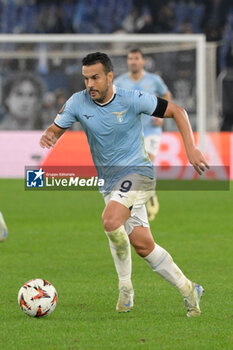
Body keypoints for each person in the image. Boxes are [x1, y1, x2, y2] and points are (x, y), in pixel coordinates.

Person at [40, 52, 209, 317]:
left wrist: (191, 148)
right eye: (86, 79)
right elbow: (56, 129)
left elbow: (177, 111)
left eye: (95, 77)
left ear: (109, 76)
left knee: (110, 220)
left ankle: (126, 288)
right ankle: (189, 289)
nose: (90, 84)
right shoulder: (78, 102)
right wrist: (50, 135)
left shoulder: (132, 99)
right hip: (110, 183)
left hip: (138, 174)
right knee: (143, 245)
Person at [115, 48, 172, 220]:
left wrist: (161, 115)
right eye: (130, 58)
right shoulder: (120, 82)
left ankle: (150, 197)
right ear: (128, 61)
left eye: (136, 58)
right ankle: (140, 196)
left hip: (151, 129)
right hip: (131, 132)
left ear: (143, 61)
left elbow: (166, 94)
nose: (133, 61)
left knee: (148, 162)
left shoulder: (154, 80)